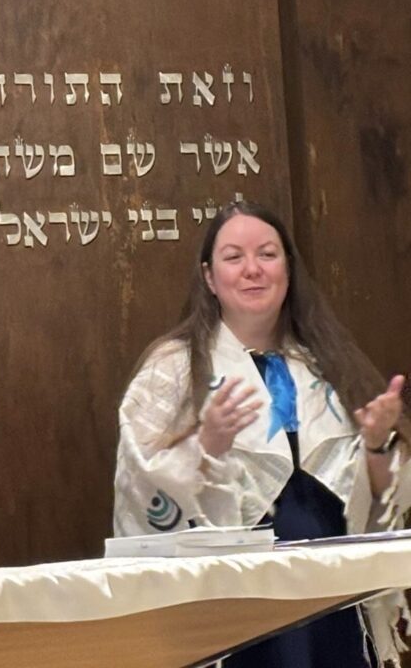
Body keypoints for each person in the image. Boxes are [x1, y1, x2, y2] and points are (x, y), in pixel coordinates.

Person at [114, 200, 411, 668]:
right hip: (236, 613)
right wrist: (204, 447)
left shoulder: (329, 363)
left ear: (288, 270)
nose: (252, 269)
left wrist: (377, 444)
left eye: (267, 255)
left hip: (330, 601)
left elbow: (377, 502)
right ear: (210, 277)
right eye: (234, 257)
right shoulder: (171, 370)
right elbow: (140, 488)